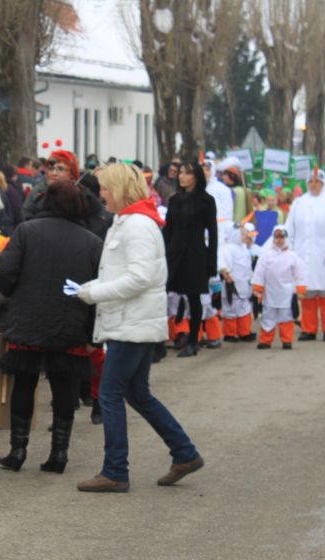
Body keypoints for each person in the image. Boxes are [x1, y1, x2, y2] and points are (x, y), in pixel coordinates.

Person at [73, 162, 203, 493]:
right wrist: (89, 287)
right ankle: (184, 453)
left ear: (118, 189)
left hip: (132, 324)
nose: (99, 193)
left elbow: (140, 278)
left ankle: (116, 470)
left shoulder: (137, 225)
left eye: (104, 187)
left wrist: (93, 292)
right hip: (132, 321)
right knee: (136, 393)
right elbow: (127, 274)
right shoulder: (130, 222)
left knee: (111, 393)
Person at [0, 180, 103, 474]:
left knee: (24, 384)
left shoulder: (27, 232)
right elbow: (98, 290)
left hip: (29, 317)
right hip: (71, 322)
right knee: (64, 387)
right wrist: (94, 331)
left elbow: (5, 272)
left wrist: (14, 292)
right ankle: (59, 454)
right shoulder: (92, 242)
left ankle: (17, 451)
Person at [163, 161, 218, 357]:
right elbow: (168, 229)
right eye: (180, 173)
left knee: (194, 298)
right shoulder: (174, 200)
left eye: (186, 173)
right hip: (174, 253)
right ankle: (161, 341)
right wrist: (163, 253)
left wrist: (212, 263)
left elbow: (212, 233)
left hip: (195, 254)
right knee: (164, 295)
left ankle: (193, 340)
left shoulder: (206, 201)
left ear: (196, 176)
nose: (182, 177)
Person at [286, 168, 325, 342]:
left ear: (322, 183)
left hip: (324, 256)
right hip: (302, 256)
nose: (314, 185)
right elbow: (290, 228)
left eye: (317, 182)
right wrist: (288, 250)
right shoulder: (299, 203)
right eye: (311, 181)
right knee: (308, 293)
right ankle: (309, 329)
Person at [252, 226, 307, 350]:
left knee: (286, 318)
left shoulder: (293, 256)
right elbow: (259, 272)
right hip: (270, 293)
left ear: (286, 239)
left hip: (286, 293)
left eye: (282, 237)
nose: (279, 240)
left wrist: (301, 289)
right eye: (277, 238)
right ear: (273, 239)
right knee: (267, 318)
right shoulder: (265, 256)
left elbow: (300, 274)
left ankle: (287, 341)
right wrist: (257, 287)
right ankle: (265, 341)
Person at [219, 221, 256, 342]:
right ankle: (230, 333)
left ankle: (244, 332)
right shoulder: (227, 248)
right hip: (232, 285)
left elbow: (247, 265)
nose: (244, 235)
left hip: (244, 284)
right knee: (231, 309)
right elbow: (222, 263)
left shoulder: (243, 248)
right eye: (241, 233)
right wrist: (226, 272)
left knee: (244, 308)